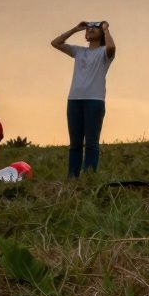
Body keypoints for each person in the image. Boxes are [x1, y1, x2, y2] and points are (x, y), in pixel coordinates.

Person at [51, 21, 116, 178]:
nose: (90, 29)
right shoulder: (78, 51)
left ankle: (88, 178)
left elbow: (112, 47)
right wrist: (75, 29)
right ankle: (72, 178)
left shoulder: (104, 52)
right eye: (88, 28)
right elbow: (55, 43)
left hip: (94, 100)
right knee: (75, 144)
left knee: (92, 143)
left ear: (101, 33)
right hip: (74, 100)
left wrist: (106, 29)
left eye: (95, 27)